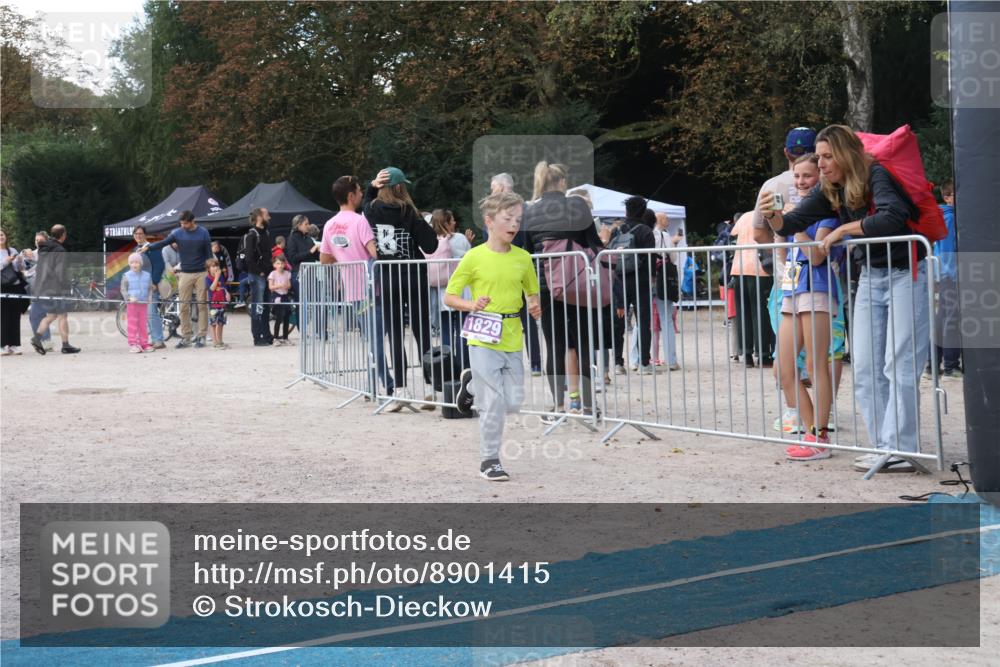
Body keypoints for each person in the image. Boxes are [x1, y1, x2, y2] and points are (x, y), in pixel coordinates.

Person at [760, 124, 929, 473]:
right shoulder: (830, 189)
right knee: (865, 367)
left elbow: (893, 218)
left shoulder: (877, 174)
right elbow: (791, 224)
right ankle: (884, 446)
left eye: (826, 156)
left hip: (905, 273)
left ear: (845, 155)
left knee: (898, 364)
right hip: (870, 277)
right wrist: (772, 214)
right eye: (818, 157)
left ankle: (903, 447)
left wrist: (842, 229)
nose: (820, 164)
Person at [447, 191, 541, 481]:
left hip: (513, 334)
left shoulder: (523, 258)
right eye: (508, 218)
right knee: (494, 403)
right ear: (489, 221)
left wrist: (535, 304)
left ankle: (471, 384)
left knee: (512, 401)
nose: (514, 224)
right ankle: (490, 460)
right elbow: (450, 297)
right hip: (482, 335)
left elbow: (531, 290)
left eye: (518, 219)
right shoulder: (473, 257)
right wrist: (470, 304)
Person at [522, 161, 605, 416]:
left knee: (554, 344)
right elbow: (593, 243)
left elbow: (526, 250)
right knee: (583, 342)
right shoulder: (577, 205)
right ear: (562, 183)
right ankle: (589, 404)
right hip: (577, 281)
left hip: (546, 285)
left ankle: (559, 405)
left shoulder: (529, 212)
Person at [364, 167, 439, 407]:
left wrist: (371, 185)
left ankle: (400, 389)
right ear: (400, 187)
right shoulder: (410, 212)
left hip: (388, 276)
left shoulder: (373, 210)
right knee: (422, 331)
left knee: (395, 334)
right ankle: (430, 388)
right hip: (414, 275)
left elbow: (365, 202)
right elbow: (431, 246)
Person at [320, 175, 394, 398]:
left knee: (372, 338)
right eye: (360, 191)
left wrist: (343, 258)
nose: (362, 194)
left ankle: (374, 384)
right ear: (351, 196)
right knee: (376, 339)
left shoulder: (329, 224)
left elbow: (324, 259)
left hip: (352, 289)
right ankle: (385, 384)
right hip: (372, 288)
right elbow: (374, 252)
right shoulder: (360, 221)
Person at [143, 210, 212, 348]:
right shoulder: (177, 232)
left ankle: (201, 336)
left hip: (201, 273)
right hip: (185, 273)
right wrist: (149, 246)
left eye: (185, 223)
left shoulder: (203, 232)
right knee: (184, 305)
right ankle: (186, 337)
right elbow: (163, 243)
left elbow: (209, 254)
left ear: (193, 221)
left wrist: (211, 272)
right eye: (181, 223)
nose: (183, 226)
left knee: (202, 305)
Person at [610, 195, 656, 374]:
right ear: (643, 211)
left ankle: (617, 363)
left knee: (618, 322)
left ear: (626, 211)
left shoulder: (617, 230)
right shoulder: (646, 231)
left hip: (619, 280)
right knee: (643, 322)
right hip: (641, 281)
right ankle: (644, 363)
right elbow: (651, 260)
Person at [753, 127, 818, 246]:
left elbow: (758, 233)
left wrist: (781, 254)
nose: (800, 182)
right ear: (816, 152)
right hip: (825, 259)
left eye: (807, 176)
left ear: (786, 152)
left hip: (788, 261)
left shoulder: (770, 186)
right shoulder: (828, 182)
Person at [426, 209, 472, 367]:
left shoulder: (431, 240)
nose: (454, 223)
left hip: (441, 291)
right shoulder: (459, 238)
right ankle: (464, 365)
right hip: (461, 291)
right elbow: (471, 258)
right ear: (446, 223)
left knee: (445, 331)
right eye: (452, 220)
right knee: (462, 329)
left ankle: (448, 366)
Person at [730, 210, 775, 367]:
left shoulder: (743, 216)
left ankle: (747, 354)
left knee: (744, 312)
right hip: (761, 267)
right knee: (761, 312)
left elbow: (733, 233)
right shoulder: (767, 213)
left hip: (738, 267)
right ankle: (763, 354)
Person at [30, 225, 81, 354]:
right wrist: (67, 286)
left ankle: (37, 338)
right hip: (57, 288)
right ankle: (65, 345)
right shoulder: (59, 250)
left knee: (51, 315)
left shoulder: (44, 248)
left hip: (44, 286)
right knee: (63, 315)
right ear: (63, 234)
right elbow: (60, 272)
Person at [929, 180, 960, 378]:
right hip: (950, 275)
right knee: (951, 319)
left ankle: (933, 364)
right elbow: (948, 252)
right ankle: (950, 364)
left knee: (943, 319)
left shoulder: (947, 216)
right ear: (947, 197)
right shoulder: (949, 218)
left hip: (946, 274)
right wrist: (955, 277)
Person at [652, 211, 681, 370]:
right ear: (660, 220)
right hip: (662, 279)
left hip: (647, 279)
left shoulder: (648, 234)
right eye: (666, 218)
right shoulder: (665, 235)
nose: (668, 220)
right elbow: (673, 257)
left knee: (643, 321)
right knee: (666, 318)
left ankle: (638, 359)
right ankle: (670, 359)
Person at [243, 207, 275, 346]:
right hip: (257, 275)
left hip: (267, 274)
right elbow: (249, 258)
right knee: (258, 306)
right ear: (260, 217)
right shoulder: (252, 235)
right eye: (267, 214)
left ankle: (267, 334)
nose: (269, 217)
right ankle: (257, 336)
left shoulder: (266, 233)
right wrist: (259, 271)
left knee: (266, 305)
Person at [133, 225, 167, 349]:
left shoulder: (152, 248)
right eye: (136, 234)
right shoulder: (135, 249)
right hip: (140, 286)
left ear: (145, 235)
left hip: (151, 285)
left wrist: (154, 282)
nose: (138, 236)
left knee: (152, 313)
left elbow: (159, 266)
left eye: (140, 233)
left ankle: (158, 340)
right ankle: (155, 339)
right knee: (146, 314)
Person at [23, 231, 52, 351]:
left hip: (46, 288)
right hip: (34, 288)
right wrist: (24, 252)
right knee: (36, 315)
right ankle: (45, 342)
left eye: (40, 240)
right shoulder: (33, 253)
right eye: (36, 240)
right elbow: (21, 261)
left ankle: (44, 342)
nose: (38, 242)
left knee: (37, 315)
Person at [120, 252, 154, 353]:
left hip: (143, 304)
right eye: (132, 262)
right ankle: (133, 344)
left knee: (143, 324)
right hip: (132, 305)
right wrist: (129, 298)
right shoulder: (126, 275)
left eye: (137, 262)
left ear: (141, 263)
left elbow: (150, 288)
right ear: (129, 264)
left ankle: (144, 343)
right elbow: (123, 289)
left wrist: (149, 298)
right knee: (132, 324)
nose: (134, 264)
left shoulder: (147, 275)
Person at [1, 228, 27, 355]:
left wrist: (20, 261)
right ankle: (4, 345)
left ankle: (15, 345)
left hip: (15, 286)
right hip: (2, 287)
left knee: (15, 316)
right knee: (4, 316)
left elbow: (18, 268)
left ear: (6, 236)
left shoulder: (12, 250)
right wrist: (7, 261)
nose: (1, 237)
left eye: (2, 234)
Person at [285, 214, 319, 297]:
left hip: (311, 274)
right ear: (299, 225)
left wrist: (323, 253)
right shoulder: (292, 238)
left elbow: (315, 256)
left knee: (314, 300)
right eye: (306, 224)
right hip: (299, 274)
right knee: (301, 302)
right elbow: (293, 258)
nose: (308, 226)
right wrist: (310, 251)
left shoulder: (308, 239)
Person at [268, 255, 293, 344]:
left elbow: (289, 285)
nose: (280, 265)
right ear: (274, 265)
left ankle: (285, 337)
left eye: (282, 263)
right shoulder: (272, 274)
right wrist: (279, 286)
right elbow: (270, 287)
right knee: (279, 318)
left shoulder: (287, 274)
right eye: (278, 263)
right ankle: (275, 338)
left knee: (286, 317)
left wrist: (286, 286)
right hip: (277, 296)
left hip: (285, 296)